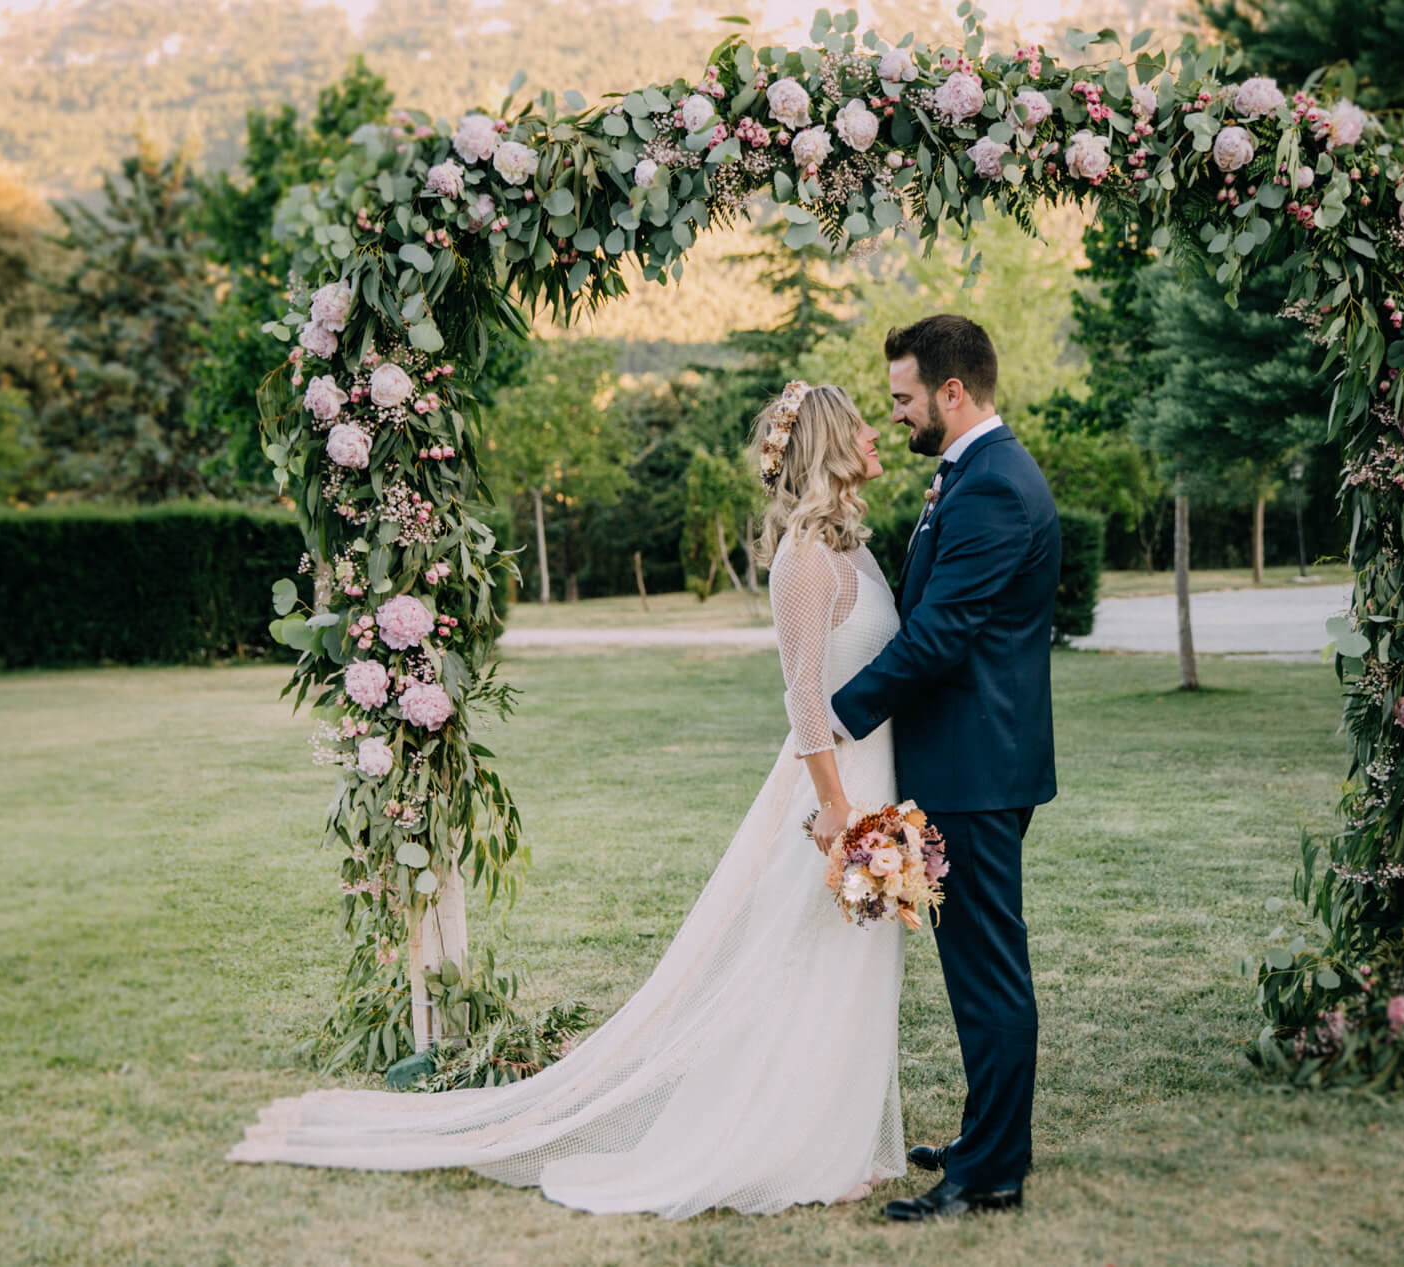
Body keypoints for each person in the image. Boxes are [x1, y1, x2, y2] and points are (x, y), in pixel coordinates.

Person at [227, 384, 910, 1219]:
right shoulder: (802, 557)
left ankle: (832, 1133)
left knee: (853, 964)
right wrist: (837, 810)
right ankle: (784, 1140)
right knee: (802, 961)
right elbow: (802, 695)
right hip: (834, 795)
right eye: (864, 424)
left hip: (877, 783)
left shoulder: (856, 550)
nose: (879, 431)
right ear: (832, 444)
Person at [830, 314, 1061, 1222]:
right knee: (975, 967)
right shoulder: (970, 475)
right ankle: (985, 1136)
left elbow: (940, 634)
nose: (896, 415)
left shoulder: (994, 486)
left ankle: (991, 1173)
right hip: (972, 760)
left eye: (903, 397)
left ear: (951, 392)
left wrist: (838, 713)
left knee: (989, 969)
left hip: (977, 767)